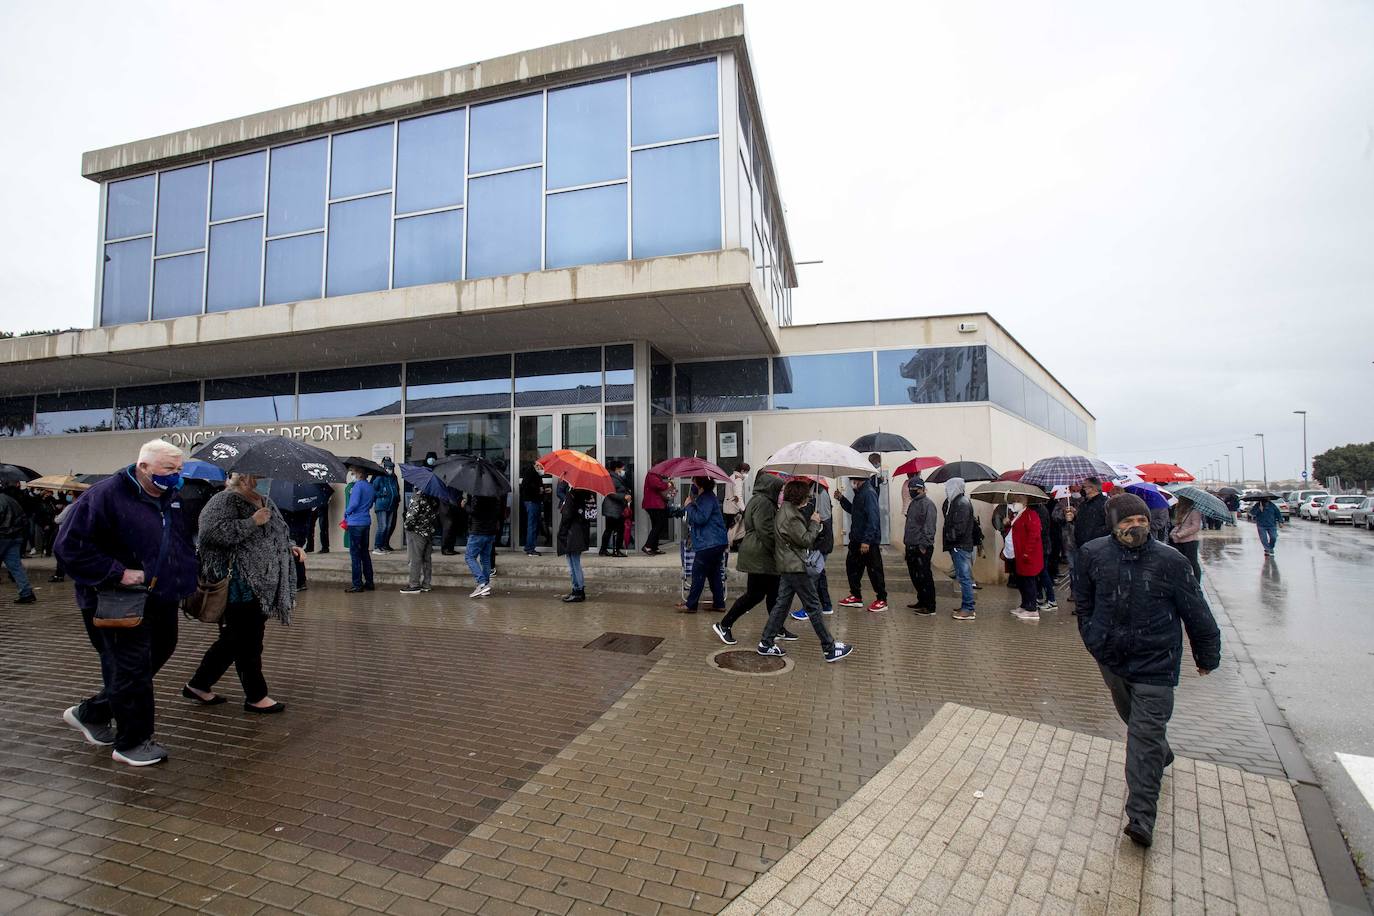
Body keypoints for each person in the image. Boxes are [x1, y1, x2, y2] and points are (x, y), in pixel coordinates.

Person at [1076, 493, 1221, 848]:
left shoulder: (1170, 561)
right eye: (1127, 521)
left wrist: (1207, 655)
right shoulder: (1094, 555)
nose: (1135, 526)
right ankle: (1161, 751)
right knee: (1133, 719)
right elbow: (1084, 603)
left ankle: (1141, 817)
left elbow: (1197, 611)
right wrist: (1093, 638)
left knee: (1141, 739)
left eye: (1141, 520)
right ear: (1114, 524)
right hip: (1112, 660)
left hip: (1157, 664)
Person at [54, 440, 198, 766]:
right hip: (116, 600)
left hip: (160, 596)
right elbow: (69, 547)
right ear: (143, 467)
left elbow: (176, 543)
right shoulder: (104, 495)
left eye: (179, 470)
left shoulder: (170, 498)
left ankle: (92, 713)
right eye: (168, 470)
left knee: (158, 651)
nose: (175, 476)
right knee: (130, 668)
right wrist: (118, 573)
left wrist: (186, 578)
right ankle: (132, 742)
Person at [184, 471, 297, 714]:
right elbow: (210, 534)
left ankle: (199, 684)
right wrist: (252, 522)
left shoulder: (265, 500)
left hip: (263, 586)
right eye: (258, 475)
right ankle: (256, 696)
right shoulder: (224, 500)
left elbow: (276, 533)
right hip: (238, 586)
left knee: (235, 641)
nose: (264, 479)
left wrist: (291, 547)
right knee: (246, 642)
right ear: (244, 478)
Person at [757, 480, 854, 662]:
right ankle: (829, 648)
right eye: (806, 497)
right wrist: (815, 523)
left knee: (782, 605)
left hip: (788, 564)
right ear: (798, 497)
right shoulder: (791, 516)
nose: (809, 500)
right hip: (796, 566)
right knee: (814, 606)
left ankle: (766, 642)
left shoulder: (787, 510)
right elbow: (806, 540)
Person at [712, 472, 796, 645]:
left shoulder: (760, 500)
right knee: (755, 595)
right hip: (760, 556)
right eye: (779, 490)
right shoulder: (764, 503)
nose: (781, 493)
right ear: (770, 488)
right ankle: (725, 625)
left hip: (762, 555)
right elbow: (765, 531)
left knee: (773, 594)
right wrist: (779, 550)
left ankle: (777, 627)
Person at [670, 476, 728, 613]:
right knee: (713, 573)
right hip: (715, 542)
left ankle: (691, 605)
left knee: (698, 572)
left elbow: (701, 518)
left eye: (694, 481)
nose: (692, 484)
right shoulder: (706, 497)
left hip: (709, 542)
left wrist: (689, 505)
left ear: (700, 484)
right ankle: (719, 603)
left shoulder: (707, 498)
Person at [837, 475, 887, 612]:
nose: (850, 483)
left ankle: (882, 599)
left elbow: (873, 518)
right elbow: (855, 511)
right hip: (856, 539)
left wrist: (867, 540)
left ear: (858, 480)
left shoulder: (868, 493)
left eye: (851, 481)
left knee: (874, 570)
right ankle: (855, 596)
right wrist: (842, 499)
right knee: (852, 567)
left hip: (867, 541)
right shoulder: (859, 493)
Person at [942, 477, 981, 621]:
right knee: (962, 577)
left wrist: (950, 536)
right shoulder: (955, 502)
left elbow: (960, 527)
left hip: (960, 545)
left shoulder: (961, 503)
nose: (946, 490)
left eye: (948, 487)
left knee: (965, 578)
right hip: (958, 545)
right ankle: (966, 605)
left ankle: (968, 609)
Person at [902, 476, 937, 615]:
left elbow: (929, 526)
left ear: (922, 489)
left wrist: (924, 545)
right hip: (911, 545)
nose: (912, 491)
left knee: (924, 576)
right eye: (910, 489)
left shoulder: (928, 505)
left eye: (915, 489)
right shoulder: (913, 503)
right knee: (915, 576)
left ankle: (930, 606)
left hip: (922, 547)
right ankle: (921, 600)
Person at [1008, 500, 1044, 621]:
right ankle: (1025, 604)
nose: (1014, 503)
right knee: (1021, 580)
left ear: (1025, 503)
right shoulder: (1018, 515)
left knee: (1029, 581)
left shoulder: (1031, 515)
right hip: (1018, 554)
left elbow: (1034, 534)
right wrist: (1007, 524)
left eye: (1018, 501)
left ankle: (1032, 609)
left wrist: (1027, 552)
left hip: (1028, 555)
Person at [342, 465, 376, 593]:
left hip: (355, 522)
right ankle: (369, 582)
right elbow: (371, 503)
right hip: (366, 521)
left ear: (359, 474)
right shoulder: (370, 486)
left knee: (355, 554)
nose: (352, 474)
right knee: (365, 553)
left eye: (353, 472)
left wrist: (346, 512)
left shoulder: (358, 486)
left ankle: (357, 584)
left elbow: (354, 503)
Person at [0, 483, 36, 604]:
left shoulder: (1, 500)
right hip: (15, 537)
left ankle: (26, 593)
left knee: (15, 566)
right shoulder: (13, 501)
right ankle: (26, 592)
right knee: (16, 566)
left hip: (2, 536)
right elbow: (24, 520)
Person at [558, 488, 595, 602]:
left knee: (573, 563)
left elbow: (567, 515)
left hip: (572, 532)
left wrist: (562, 532)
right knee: (574, 561)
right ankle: (577, 590)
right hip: (581, 531)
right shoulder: (588, 494)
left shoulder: (572, 494)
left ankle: (577, 590)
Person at [399, 492, 440, 594]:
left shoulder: (417, 497)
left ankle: (414, 584)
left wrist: (407, 526)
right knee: (427, 559)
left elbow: (411, 517)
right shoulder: (434, 498)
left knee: (415, 558)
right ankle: (426, 584)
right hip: (429, 532)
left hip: (416, 532)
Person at [464, 494, 501, 598]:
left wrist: (465, 505)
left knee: (469, 557)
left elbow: (474, 512)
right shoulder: (495, 496)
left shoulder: (478, 495)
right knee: (485, 559)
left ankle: (482, 583)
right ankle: (485, 586)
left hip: (478, 531)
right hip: (490, 531)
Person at [599, 461, 631, 557]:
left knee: (609, 529)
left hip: (614, 507)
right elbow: (610, 493)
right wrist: (624, 497)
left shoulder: (615, 478)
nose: (623, 470)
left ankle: (603, 550)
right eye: (622, 468)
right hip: (613, 508)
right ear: (617, 469)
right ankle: (616, 551)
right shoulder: (613, 478)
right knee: (619, 529)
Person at [1072, 477, 1111, 549]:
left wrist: (1096, 535)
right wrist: (1073, 517)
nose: (1082, 489)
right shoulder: (1084, 503)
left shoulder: (1106, 503)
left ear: (1093, 488)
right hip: (1081, 546)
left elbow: (1110, 525)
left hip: (1099, 547)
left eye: (1084, 487)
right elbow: (1083, 521)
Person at [1169, 497, 1204, 579]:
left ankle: (1196, 581)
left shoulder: (1194, 511)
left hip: (1190, 541)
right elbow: (1179, 525)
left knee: (1193, 563)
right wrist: (1173, 533)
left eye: (1180, 499)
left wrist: (1181, 534)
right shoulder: (1181, 511)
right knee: (1180, 562)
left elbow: (1196, 527)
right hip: (1178, 541)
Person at [640, 470, 672, 556]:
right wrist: (667, 485)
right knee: (659, 525)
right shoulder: (652, 474)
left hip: (656, 504)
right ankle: (647, 546)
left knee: (657, 526)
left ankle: (654, 547)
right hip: (653, 504)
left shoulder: (656, 475)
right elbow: (657, 485)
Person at [281, 505, 313, 592]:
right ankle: (300, 581)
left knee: (297, 557)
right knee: (298, 556)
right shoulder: (305, 502)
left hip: (294, 532)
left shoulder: (290, 506)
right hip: (300, 531)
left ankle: (300, 582)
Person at [371, 461, 400, 553]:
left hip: (391, 505)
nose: (389, 470)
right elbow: (373, 490)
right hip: (381, 505)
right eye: (387, 468)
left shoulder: (394, 478)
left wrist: (397, 498)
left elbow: (396, 490)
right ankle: (377, 546)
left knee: (388, 527)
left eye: (391, 469)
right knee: (382, 526)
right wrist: (380, 494)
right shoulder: (379, 477)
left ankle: (383, 545)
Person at [1034, 500, 1057, 611]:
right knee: (1039, 573)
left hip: (1042, 547)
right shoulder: (1038, 509)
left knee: (1043, 573)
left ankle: (1051, 599)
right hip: (1042, 546)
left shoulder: (1040, 511)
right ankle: (1039, 596)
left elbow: (1040, 530)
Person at [519, 459, 544, 556]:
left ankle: (530, 547)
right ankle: (530, 548)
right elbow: (526, 486)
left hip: (533, 501)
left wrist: (543, 489)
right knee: (532, 525)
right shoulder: (530, 472)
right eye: (540, 466)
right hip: (532, 501)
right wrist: (538, 489)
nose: (541, 468)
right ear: (536, 464)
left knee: (534, 525)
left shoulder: (534, 473)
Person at [723, 463, 749, 549]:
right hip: (734, 509)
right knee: (735, 530)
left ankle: (727, 545)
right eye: (746, 472)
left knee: (729, 528)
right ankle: (732, 546)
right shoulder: (738, 479)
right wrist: (743, 509)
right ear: (742, 471)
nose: (747, 474)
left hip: (727, 508)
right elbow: (738, 496)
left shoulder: (731, 477)